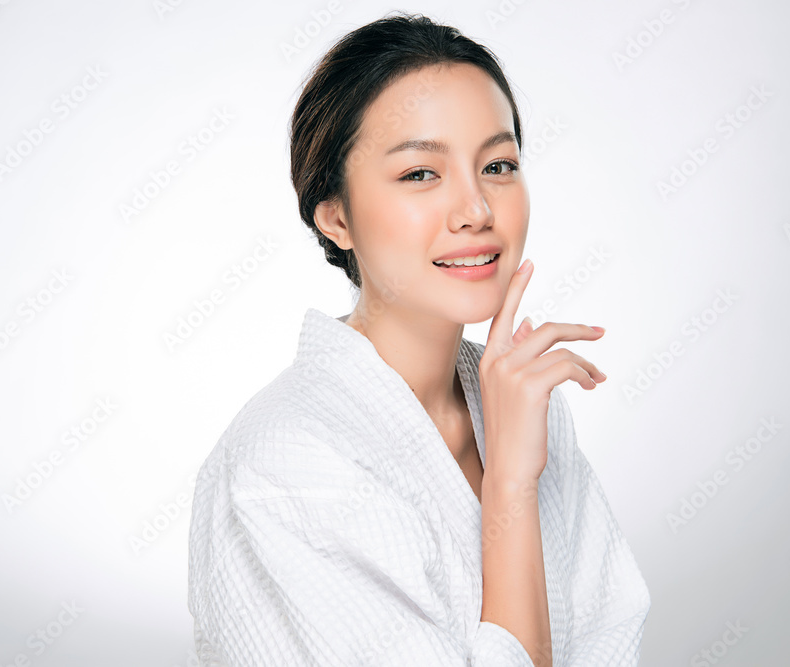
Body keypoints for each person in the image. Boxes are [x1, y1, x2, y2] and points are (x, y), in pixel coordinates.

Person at [188, 12, 650, 666]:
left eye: (498, 165)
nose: (477, 211)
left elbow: (613, 632)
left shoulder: (521, 399)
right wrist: (509, 486)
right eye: (420, 174)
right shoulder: (282, 464)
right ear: (336, 216)